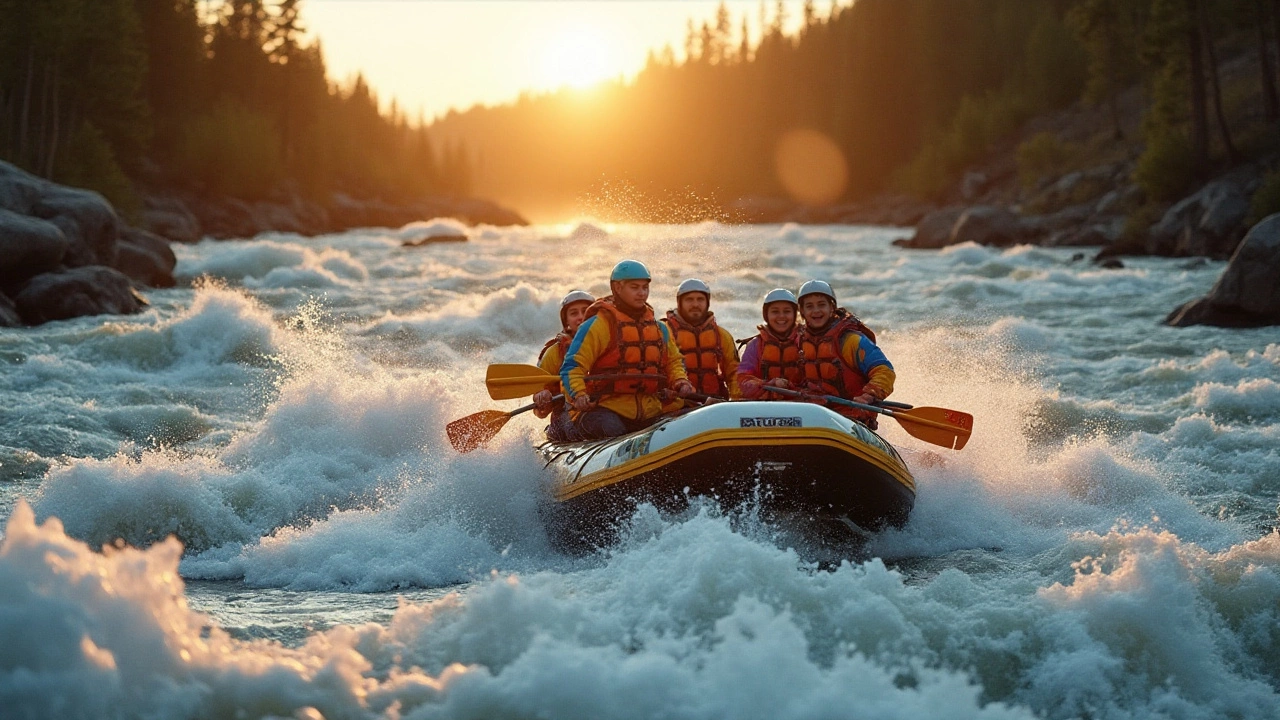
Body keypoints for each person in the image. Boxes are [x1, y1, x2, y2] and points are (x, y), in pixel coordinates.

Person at [560, 260, 696, 439]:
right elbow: (572, 367)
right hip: (606, 410)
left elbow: (674, 362)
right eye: (635, 287)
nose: (642, 293)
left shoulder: (659, 328)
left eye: (645, 287)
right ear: (617, 287)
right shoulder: (598, 325)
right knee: (612, 428)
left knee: (684, 421)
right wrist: (579, 394)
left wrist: (680, 380)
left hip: (650, 410)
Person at [796, 279, 895, 428]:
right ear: (802, 311)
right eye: (809, 306)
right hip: (814, 415)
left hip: (851, 419)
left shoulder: (850, 341)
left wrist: (869, 395)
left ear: (832, 308)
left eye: (821, 305)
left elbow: (885, 370)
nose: (816, 310)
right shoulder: (798, 342)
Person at [662, 278, 740, 401]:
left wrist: (738, 402)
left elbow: (734, 372)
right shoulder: (665, 331)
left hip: (714, 403)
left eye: (700, 299)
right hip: (678, 404)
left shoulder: (721, 335)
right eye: (689, 300)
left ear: (707, 303)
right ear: (679, 303)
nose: (695, 305)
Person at [533, 289, 594, 441]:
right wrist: (542, 396)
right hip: (567, 416)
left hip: (603, 410)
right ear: (566, 321)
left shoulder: (608, 344)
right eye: (574, 313)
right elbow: (539, 410)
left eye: (585, 312)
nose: (581, 317)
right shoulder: (554, 352)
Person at [737, 288, 804, 400]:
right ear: (766, 315)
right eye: (775, 311)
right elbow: (743, 380)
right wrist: (769, 384)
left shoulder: (805, 342)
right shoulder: (755, 345)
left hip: (799, 404)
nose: (781, 316)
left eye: (787, 311)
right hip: (764, 406)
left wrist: (792, 387)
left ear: (794, 314)